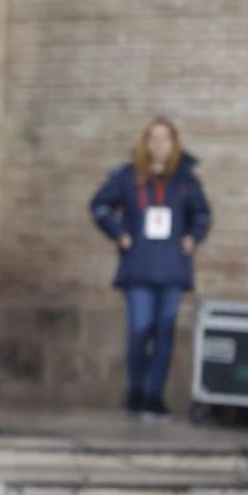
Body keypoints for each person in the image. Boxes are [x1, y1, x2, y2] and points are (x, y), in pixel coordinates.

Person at [90, 118, 212, 417]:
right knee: (139, 329)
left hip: (172, 267)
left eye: (165, 139)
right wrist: (120, 233)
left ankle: (154, 394)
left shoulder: (185, 180)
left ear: (174, 143)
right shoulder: (127, 177)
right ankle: (136, 389)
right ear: (144, 143)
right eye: (153, 139)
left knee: (164, 332)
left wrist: (192, 239)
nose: (159, 145)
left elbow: (202, 214)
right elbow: (100, 206)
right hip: (139, 267)